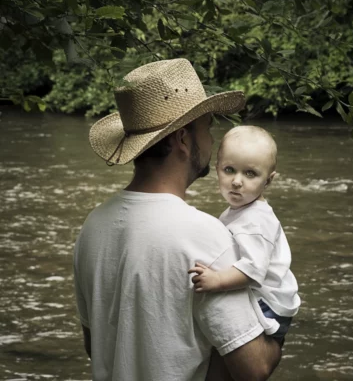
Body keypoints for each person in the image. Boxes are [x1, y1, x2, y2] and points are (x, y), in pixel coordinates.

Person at [73, 59, 282, 381]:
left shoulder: (93, 226)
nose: (212, 143)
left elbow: (96, 345)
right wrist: (280, 322)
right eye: (208, 128)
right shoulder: (203, 234)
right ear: (183, 140)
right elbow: (254, 368)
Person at [189, 126, 301, 378]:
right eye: (229, 170)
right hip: (266, 299)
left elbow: (253, 270)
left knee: (226, 363)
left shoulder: (256, 221)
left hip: (270, 306)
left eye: (250, 173)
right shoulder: (240, 211)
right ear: (217, 168)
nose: (237, 181)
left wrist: (217, 280)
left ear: (269, 180)